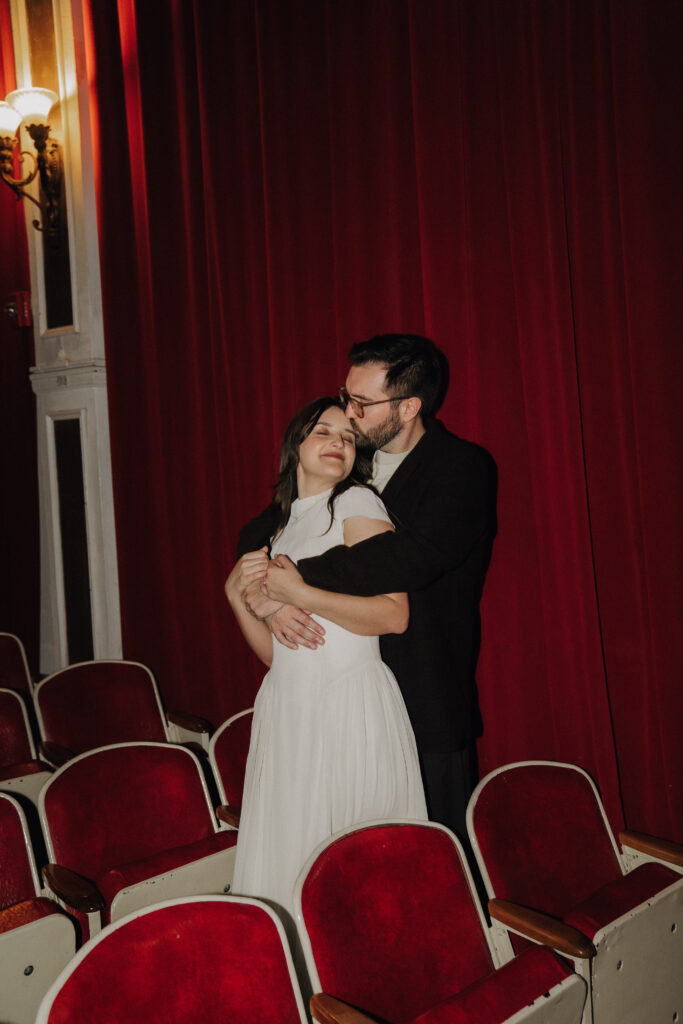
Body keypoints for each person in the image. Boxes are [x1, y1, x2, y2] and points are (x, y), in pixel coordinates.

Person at [239, 335, 497, 855]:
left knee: (423, 863)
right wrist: (267, 597)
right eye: (346, 395)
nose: (350, 413)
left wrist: (294, 583)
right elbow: (263, 532)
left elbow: (409, 558)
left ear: (408, 407)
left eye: (362, 402)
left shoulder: (461, 467)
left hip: (423, 698)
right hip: (333, 704)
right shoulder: (349, 463)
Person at [226, 396, 427, 919]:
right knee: (290, 853)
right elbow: (278, 655)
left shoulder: (357, 504)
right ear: (295, 446)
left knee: (353, 867)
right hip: (288, 708)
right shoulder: (277, 531)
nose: (339, 442)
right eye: (324, 432)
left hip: (348, 707)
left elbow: (394, 614)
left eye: (348, 436)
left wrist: (299, 594)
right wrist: (238, 600)